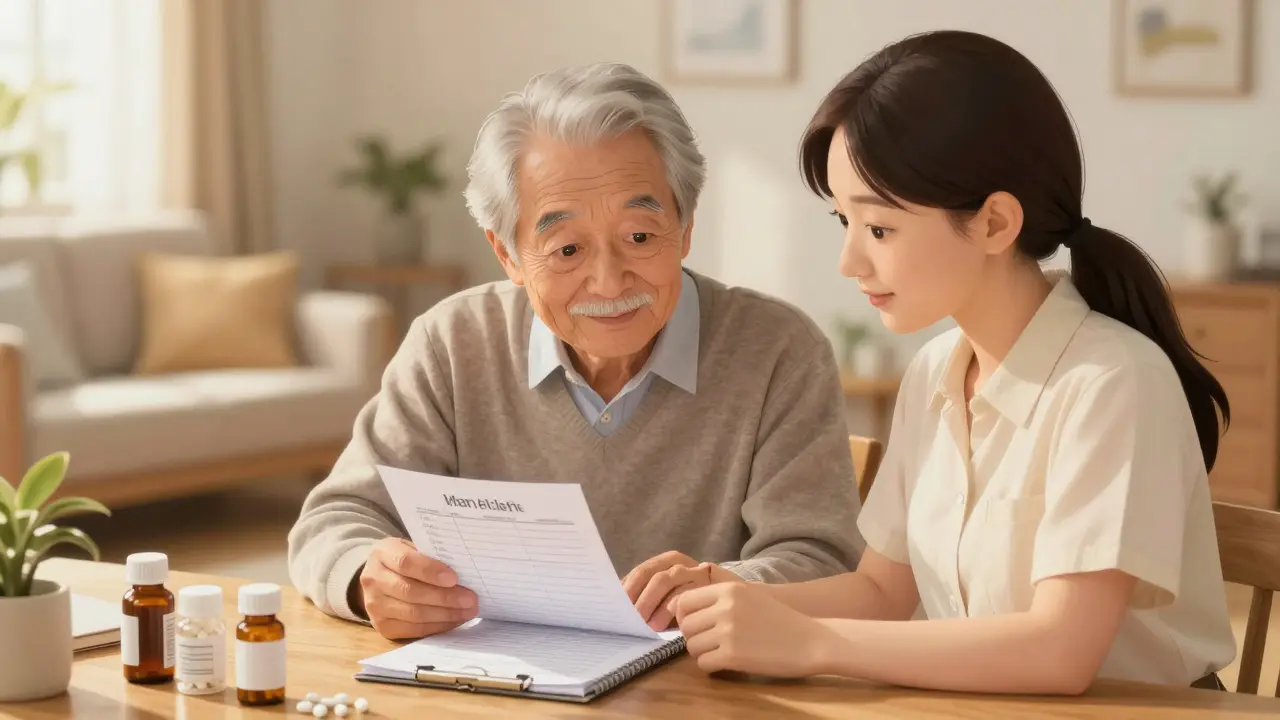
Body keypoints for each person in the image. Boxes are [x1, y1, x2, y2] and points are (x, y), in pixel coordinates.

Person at [673, 30, 1237, 694]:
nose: (850, 262)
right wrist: (713, 597)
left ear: (996, 223)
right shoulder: (935, 372)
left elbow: (1059, 650)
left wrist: (812, 643)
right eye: (842, 223)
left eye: (879, 228)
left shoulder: (1113, 383)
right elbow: (883, 589)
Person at [287, 62, 865, 641]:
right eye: (566, 249)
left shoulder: (778, 351)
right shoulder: (453, 342)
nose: (610, 283)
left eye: (639, 237)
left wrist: (723, 589)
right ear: (508, 254)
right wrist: (371, 580)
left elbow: (821, 557)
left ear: (686, 227)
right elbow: (335, 521)